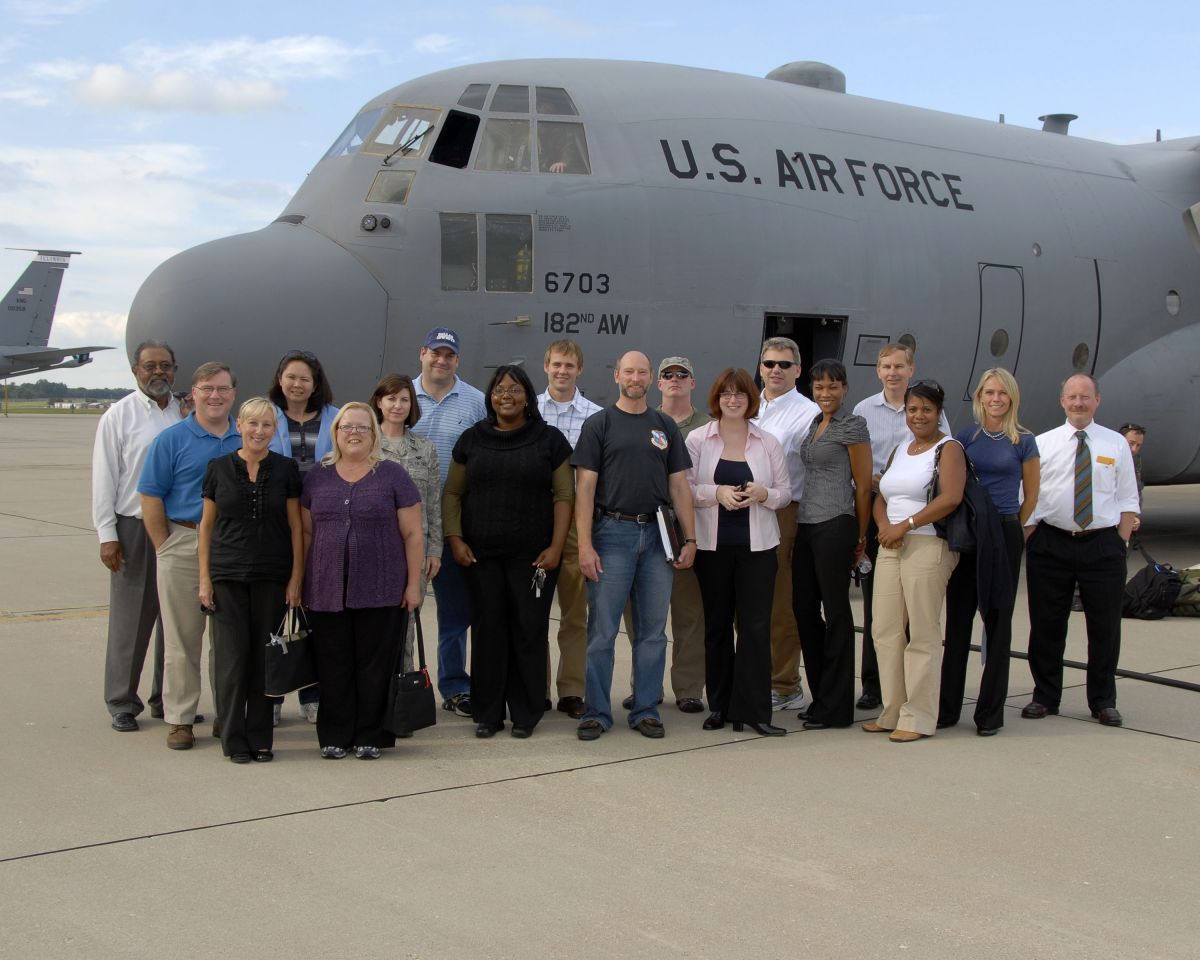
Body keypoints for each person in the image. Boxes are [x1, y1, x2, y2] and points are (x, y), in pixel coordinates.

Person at [572, 351, 697, 741]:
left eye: (643, 371)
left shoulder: (664, 426)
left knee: (653, 631)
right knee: (603, 630)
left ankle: (645, 708)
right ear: (617, 376)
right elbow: (585, 489)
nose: (636, 377)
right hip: (612, 534)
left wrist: (689, 539)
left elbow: (679, 485)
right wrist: (585, 546)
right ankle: (596, 711)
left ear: (650, 379)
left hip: (658, 537)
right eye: (630, 371)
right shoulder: (600, 424)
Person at [443, 365, 573, 738]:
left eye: (515, 389)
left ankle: (526, 713)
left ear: (528, 397)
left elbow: (565, 495)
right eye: (499, 389)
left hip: (534, 559)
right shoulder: (472, 439)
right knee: (488, 631)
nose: (506, 395)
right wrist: (455, 538)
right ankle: (487, 713)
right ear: (490, 397)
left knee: (528, 631)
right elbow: (452, 493)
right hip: (480, 556)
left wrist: (555, 546)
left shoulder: (549, 440)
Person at [301, 402, 424, 759]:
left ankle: (373, 734)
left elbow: (414, 534)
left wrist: (413, 585)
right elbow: (308, 533)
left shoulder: (393, 475)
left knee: (374, 666)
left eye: (362, 427)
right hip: (327, 588)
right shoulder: (317, 476)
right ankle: (335, 736)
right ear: (335, 433)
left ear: (374, 434)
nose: (354, 433)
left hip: (382, 587)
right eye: (346, 427)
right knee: (333, 664)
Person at [1021, 374, 1139, 728]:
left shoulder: (1115, 443)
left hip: (1102, 545)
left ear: (1097, 401)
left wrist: (1120, 541)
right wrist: (1032, 536)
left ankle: (1103, 700)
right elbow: (1028, 496)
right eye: (1072, 397)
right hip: (1052, 542)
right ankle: (1045, 696)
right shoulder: (1042, 443)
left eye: (1085, 397)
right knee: (1046, 624)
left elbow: (1127, 497)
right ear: (1062, 402)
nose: (1078, 403)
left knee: (1104, 628)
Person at [138, 362, 243, 750]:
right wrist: (164, 544)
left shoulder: (246, 437)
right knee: (182, 638)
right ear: (193, 394)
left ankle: (227, 714)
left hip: (232, 548)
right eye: (206, 388)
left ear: (233, 393)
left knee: (228, 638)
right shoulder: (171, 439)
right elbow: (150, 495)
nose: (214, 396)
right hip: (182, 541)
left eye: (222, 388)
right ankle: (180, 719)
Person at [686, 368, 790, 735]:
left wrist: (763, 494)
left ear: (751, 400)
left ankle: (755, 711)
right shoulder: (699, 439)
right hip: (713, 547)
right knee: (716, 627)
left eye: (741, 395)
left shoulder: (767, 442)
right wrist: (717, 493)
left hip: (758, 548)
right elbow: (685, 488)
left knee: (755, 628)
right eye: (727, 394)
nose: (733, 400)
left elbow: (784, 493)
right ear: (717, 398)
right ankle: (721, 707)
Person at [198, 399, 303, 763]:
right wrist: (204, 580)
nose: (259, 432)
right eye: (252, 424)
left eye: (267, 425)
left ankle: (261, 738)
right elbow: (207, 527)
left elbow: (295, 528)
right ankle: (233, 737)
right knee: (231, 661)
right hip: (227, 576)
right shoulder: (218, 469)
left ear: (275, 431)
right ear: (239, 425)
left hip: (272, 577)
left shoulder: (287, 470)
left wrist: (295, 579)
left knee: (264, 661)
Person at [939, 368, 1039, 736]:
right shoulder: (965, 438)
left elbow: (1031, 496)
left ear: (1012, 398)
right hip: (969, 535)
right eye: (989, 392)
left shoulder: (1024, 441)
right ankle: (947, 708)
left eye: (1002, 393)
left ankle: (989, 714)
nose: (995, 399)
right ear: (979, 397)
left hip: (1004, 533)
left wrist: (1009, 527)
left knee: (997, 623)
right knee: (958, 621)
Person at [852, 343, 950, 710]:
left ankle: (914, 695)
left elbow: (945, 466)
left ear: (911, 370)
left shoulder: (929, 417)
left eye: (899, 366)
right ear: (878, 371)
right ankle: (875, 687)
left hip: (920, 526)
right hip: (880, 516)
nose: (892, 372)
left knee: (916, 618)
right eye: (886, 366)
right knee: (880, 614)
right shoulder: (864, 409)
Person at [865, 379, 964, 742]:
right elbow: (881, 494)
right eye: (912, 409)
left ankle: (919, 716)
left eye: (926, 409)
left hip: (927, 545)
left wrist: (905, 526)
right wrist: (884, 527)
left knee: (922, 634)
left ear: (939, 413)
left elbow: (950, 497)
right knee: (885, 630)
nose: (918, 416)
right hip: (891, 545)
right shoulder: (901, 449)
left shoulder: (948, 448)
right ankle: (892, 710)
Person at [92, 339, 182, 732]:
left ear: (175, 370)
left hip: (180, 526)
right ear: (135, 371)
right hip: (134, 527)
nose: (158, 372)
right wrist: (107, 535)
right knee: (131, 620)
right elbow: (104, 478)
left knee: (176, 620)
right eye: (150, 366)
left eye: (165, 366)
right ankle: (122, 702)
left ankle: (170, 699)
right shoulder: (119, 415)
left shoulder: (185, 411)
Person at [619, 356, 710, 714]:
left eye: (681, 374)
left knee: (689, 613)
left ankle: (689, 688)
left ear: (692, 381)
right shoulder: (642, 420)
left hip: (686, 530)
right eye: (667, 375)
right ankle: (645, 686)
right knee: (641, 616)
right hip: (644, 530)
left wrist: (690, 537)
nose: (674, 379)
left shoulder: (709, 427)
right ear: (658, 383)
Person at [791, 359, 872, 730]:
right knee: (805, 610)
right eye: (819, 387)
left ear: (845, 388)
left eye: (833, 387)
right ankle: (822, 696)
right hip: (808, 524)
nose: (825, 394)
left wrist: (861, 535)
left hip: (836, 523)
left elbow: (863, 483)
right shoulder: (814, 424)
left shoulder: (853, 425)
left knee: (837, 614)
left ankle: (837, 707)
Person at [410, 327, 487, 718]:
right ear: (422, 353)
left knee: (455, 613)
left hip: (457, 523)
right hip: (406, 524)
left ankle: (456, 686)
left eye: (449, 355)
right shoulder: (400, 399)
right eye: (434, 353)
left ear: (457, 360)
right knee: (398, 611)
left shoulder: (475, 402)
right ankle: (397, 681)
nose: (441, 360)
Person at [266, 350, 338, 724]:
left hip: (324, 525)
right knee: (275, 612)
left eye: (305, 379)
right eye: (291, 377)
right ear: (280, 379)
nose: (297, 384)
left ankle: (313, 693)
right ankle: (274, 695)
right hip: (276, 526)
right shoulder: (267, 416)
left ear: (316, 383)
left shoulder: (334, 417)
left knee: (316, 613)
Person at [749, 337, 820, 714]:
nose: (775, 370)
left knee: (780, 602)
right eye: (769, 363)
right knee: (746, 601)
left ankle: (784, 682)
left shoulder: (808, 414)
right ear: (760, 366)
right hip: (741, 509)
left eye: (784, 364)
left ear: (797, 369)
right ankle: (754, 676)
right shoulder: (746, 404)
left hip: (784, 512)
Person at [536, 339, 603, 719]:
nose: (562, 371)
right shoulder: (530, 412)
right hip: (537, 521)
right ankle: (537, 687)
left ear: (580, 369)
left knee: (576, 612)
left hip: (578, 522)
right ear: (546, 365)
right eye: (556, 364)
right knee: (535, 612)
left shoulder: (595, 417)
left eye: (569, 365)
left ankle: (572, 690)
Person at [371, 374, 442, 674]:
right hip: (373, 552)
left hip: (415, 553)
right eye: (391, 398)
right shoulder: (365, 444)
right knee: (374, 628)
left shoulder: (424, 449)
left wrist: (434, 549)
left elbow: (433, 503)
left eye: (404, 399)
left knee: (406, 628)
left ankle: (401, 695)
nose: (397, 405)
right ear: (379, 402)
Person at [1118, 422, 1146, 548]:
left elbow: (1135, 490)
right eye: (1131, 443)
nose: (1134, 449)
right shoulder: (1108, 456)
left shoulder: (1135, 459)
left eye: (1138, 445)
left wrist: (1134, 515)